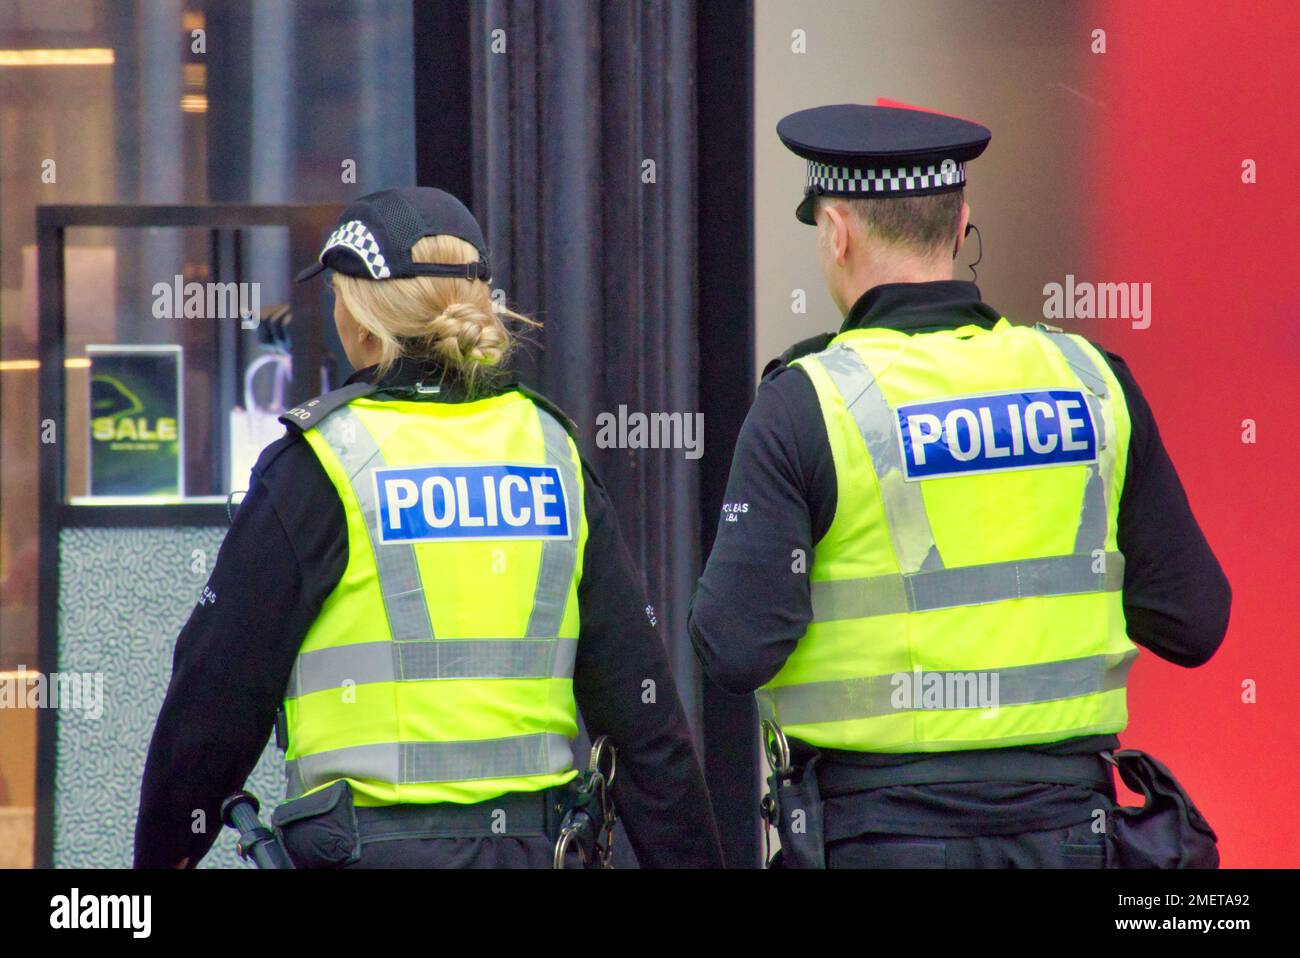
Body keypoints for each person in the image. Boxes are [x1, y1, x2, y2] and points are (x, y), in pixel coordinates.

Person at [688, 104, 1231, 868]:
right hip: (1073, 835)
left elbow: (735, 647)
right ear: (960, 224)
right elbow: (1194, 622)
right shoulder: (1090, 381)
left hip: (880, 837)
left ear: (837, 231)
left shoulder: (808, 402)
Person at [135, 186, 722, 869]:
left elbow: (215, 694)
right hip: (540, 852)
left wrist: (163, 856)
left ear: (358, 314)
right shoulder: (551, 453)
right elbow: (645, 719)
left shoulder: (318, 466)